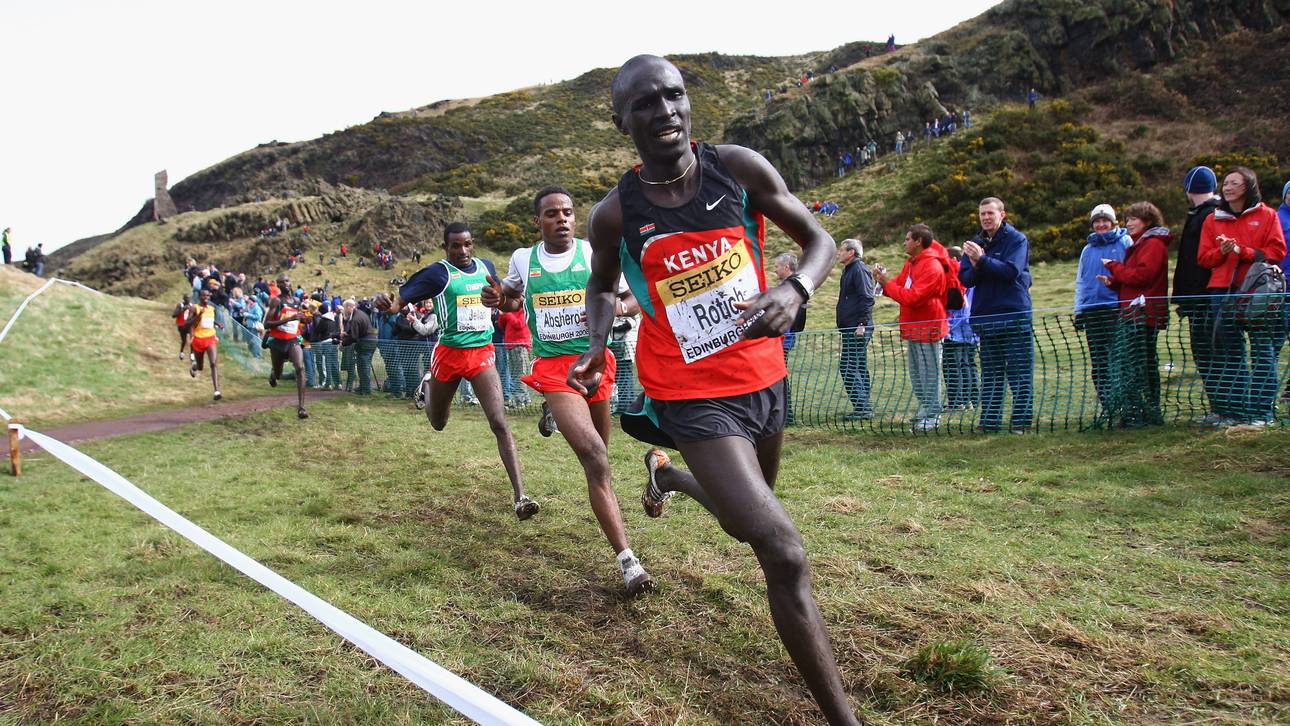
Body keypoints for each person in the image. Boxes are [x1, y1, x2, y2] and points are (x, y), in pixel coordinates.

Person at [567, 55, 858, 725]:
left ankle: (665, 478)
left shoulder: (738, 168)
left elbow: (818, 238)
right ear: (622, 121)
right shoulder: (615, 214)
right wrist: (593, 344)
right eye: (646, 103)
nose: (664, 110)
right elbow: (599, 284)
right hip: (689, 392)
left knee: (747, 518)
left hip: (761, 379)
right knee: (781, 550)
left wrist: (796, 286)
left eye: (673, 96)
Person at [486, 185, 653, 593]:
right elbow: (512, 298)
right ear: (538, 221)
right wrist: (499, 297)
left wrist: (619, 306)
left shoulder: (593, 252)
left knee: (602, 459)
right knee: (594, 457)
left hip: (596, 361)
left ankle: (638, 479)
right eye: (551, 213)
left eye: (567, 212)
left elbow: (635, 295)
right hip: (555, 369)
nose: (561, 218)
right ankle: (629, 562)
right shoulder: (524, 259)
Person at [380, 222, 538, 520]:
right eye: (455, 245)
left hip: (482, 354)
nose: (462, 251)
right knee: (438, 422)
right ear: (446, 247)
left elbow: (509, 302)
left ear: (473, 244)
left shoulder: (486, 267)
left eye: (467, 244)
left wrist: (501, 300)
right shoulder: (438, 273)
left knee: (500, 423)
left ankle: (521, 497)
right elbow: (398, 301)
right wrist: (389, 305)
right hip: (449, 356)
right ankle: (427, 387)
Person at [1198, 167, 1287, 426]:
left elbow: (1276, 251)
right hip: (1222, 291)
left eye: (1234, 183)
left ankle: (1262, 413)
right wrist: (1223, 252)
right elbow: (1204, 258)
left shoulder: (1267, 215)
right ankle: (1234, 413)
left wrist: (1242, 251)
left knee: (1263, 351)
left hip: (1259, 291)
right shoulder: (1212, 219)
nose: (1228, 188)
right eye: (1225, 183)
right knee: (1230, 353)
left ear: (1248, 187)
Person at [959, 197, 1034, 433]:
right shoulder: (975, 243)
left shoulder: (1016, 240)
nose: (986, 218)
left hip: (1014, 316)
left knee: (1019, 373)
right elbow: (965, 278)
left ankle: (1020, 422)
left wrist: (981, 260)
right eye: (982, 214)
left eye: (990, 213)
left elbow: (1011, 271)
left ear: (1003, 214)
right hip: (985, 318)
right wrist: (975, 261)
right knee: (990, 375)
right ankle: (989, 422)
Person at [1098, 202, 1171, 427]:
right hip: (1134, 311)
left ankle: (1143, 413)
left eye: (1134, 219)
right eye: (1128, 218)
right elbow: (1136, 281)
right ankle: (1140, 412)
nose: (1128, 223)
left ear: (1147, 221)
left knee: (1138, 366)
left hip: (1142, 314)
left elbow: (1142, 277)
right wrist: (1115, 284)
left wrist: (1114, 267)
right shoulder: (1141, 245)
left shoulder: (1153, 244)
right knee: (1136, 365)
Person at [875, 224, 950, 432]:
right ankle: (925, 409)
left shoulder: (932, 266)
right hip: (914, 327)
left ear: (918, 241)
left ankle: (933, 415)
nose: (904, 242)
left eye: (908, 239)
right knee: (917, 372)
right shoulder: (911, 264)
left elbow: (913, 297)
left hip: (929, 327)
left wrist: (888, 283)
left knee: (929, 372)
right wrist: (883, 282)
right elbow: (898, 288)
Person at [1174, 166, 1223, 422]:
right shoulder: (1203, 214)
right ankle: (1221, 406)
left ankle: (1222, 407)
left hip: (1203, 297)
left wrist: (1190, 296)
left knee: (1209, 352)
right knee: (1207, 351)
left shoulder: (1206, 215)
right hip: (1200, 297)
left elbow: (1197, 262)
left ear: (1188, 189)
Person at [1074, 204, 1130, 417]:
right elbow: (1081, 281)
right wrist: (1079, 311)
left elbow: (1130, 273)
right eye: (1097, 221)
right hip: (1092, 311)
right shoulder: (1087, 250)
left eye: (1105, 220)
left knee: (1120, 359)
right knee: (1099, 362)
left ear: (1114, 222)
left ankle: (1125, 403)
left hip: (1115, 309)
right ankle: (1109, 405)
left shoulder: (1124, 242)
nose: (1101, 224)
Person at [835, 238, 874, 421]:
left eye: (842, 250)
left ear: (851, 252)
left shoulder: (859, 269)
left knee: (848, 366)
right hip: (851, 326)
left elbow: (867, 297)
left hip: (857, 327)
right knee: (858, 365)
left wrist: (862, 324)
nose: (838, 253)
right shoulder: (849, 270)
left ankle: (863, 407)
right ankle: (864, 406)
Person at [264, 274, 310, 419]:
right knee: (278, 374)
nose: (285, 284)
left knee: (300, 368)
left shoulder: (297, 301)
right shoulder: (276, 301)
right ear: (278, 285)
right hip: (278, 341)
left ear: (290, 282)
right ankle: (273, 374)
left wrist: (305, 320)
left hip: (293, 340)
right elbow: (266, 324)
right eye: (281, 282)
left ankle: (301, 408)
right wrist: (289, 319)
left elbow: (298, 321)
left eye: (287, 281)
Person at [943, 247, 979, 410]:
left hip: (956, 329)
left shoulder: (957, 278)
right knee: (968, 363)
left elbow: (960, 306)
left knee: (952, 364)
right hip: (971, 329)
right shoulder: (973, 276)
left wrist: (948, 327)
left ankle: (957, 401)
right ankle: (972, 398)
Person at [774, 253, 807, 425]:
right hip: (783, 336)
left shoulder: (792, 287)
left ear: (787, 267)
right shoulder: (788, 285)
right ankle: (785, 414)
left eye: (777, 266)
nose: (775, 269)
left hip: (785, 338)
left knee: (780, 376)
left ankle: (787, 415)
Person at [188, 288, 223, 401]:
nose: (206, 298)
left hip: (210, 338)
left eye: (208, 296)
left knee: (213, 363)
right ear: (200, 297)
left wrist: (218, 324)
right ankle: (194, 367)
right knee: (201, 367)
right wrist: (199, 315)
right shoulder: (195, 308)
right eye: (204, 296)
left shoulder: (212, 309)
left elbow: (210, 320)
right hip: (198, 339)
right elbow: (188, 323)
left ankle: (216, 391)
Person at [172, 294, 193, 361]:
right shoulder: (180, 305)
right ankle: (181, 352)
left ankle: (192, 354)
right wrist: (183, 309)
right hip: (181, 325)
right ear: (183, 299)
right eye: (186, 298)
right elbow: (174, 315)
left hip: (189, 325)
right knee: (184, 340)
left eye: (189, 298)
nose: (188, 300)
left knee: (192, 339)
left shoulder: (192, 306)